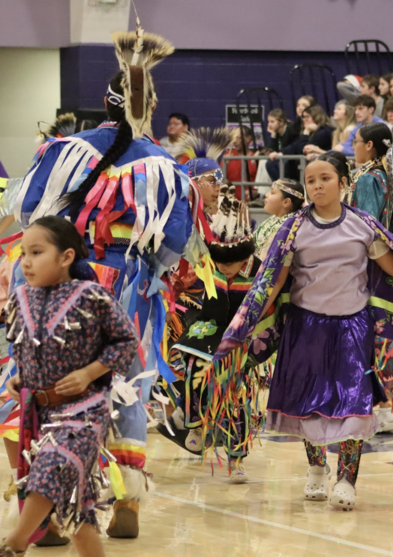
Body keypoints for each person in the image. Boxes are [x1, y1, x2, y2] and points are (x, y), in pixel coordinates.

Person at [209, 151, 393, 510]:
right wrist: (248, 320)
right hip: (305, 326)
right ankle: (316, 468)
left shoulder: (362, 224)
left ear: (344, 183)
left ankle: (347, 478)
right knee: (308, 404)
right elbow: (274, 281)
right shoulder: (293, 227)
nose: (317, 185)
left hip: (353, 327)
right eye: (310, 180)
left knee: (354, 405)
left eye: (324, 178)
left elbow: (391, 265)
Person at [13, 29, 191, 538]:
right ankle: (127, 500)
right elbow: (173, 244)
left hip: (66, 287)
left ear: (104, 103)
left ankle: (44, 510)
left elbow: (29, 213)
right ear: (149, 105)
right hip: (131, 285)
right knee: (130, 385)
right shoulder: (164, 164)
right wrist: (147, 275)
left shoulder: (65, 150)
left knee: (53, 389)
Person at [2, 216, 139, 557]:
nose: (27, 262)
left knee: (53, 463)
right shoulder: (19, 298)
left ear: (65, 257)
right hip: (41, 411)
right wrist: (21, 378)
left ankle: (14, 542)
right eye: (23, 253)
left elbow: (126, 340)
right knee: (78, 510)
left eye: (37, 252)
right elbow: (22, 346)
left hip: (85, 407)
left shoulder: (91, 295)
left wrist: (90, 372)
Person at [158, 186, 263, 481]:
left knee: (234, 399)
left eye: (230, 266)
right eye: (220, 265)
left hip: (239, 339)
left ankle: (236, 461)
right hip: (206, 330)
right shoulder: (208, 266)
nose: (224, 270)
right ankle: (194, 425)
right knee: (191, 370)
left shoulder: (259, 272)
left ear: (245, 261)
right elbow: (180, 281)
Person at [351, 124, 393, 431]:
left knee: (375, 335)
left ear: (370, 146)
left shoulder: (367, 178)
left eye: (357, 142)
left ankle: (383, 410)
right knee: (390, 330)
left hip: (373, 265)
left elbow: (365, 224)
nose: (354, 147)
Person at [268, 105, 333, 181]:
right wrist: (282, 153)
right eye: (303, 117)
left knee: (286, 164)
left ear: (316, 117)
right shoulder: (312, 132)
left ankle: (289, 190)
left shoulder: (324, 132)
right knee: (271, 163)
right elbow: (295, 145)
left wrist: (306, 132)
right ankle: (282, 189)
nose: (304, 120)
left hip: (320, 166)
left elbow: (303, 149)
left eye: (307, 117)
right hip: (308, 165)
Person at [254, 179, 306, 260]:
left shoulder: (286, 227)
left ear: (286, 202)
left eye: (272, 192)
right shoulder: (272, 219)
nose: (266, 195)